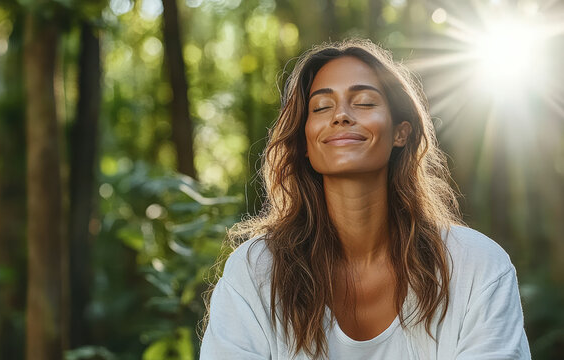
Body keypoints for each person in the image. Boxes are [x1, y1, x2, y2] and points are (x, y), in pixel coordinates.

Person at [199, 39, 531, 359]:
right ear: (304, 141)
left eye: (364, 102)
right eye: (322, 107)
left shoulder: (479, 268)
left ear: (401, 132)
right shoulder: (255, 273)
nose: (341, 115)